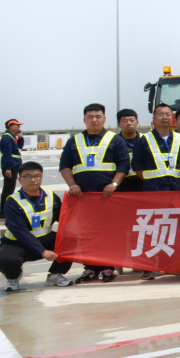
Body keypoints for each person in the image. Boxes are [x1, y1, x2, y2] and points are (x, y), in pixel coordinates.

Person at [59, 103, 129, 284]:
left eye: (98, 116)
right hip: (83, 198)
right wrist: (72, 184)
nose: (94, 120)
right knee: (86, 234)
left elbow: (123, 165)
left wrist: (114, 184)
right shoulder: (74, 141)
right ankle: (90, 268)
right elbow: (64, 165)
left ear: (104, 119)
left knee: (108, 232)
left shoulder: (115, 139)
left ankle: (108, 267)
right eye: (90, 117)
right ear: (84, 120)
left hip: (108, 198)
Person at [0, 161, 75, 291]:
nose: (33, 180)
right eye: (27, 176)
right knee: (7, 260)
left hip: (45, 238)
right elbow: (20, 231)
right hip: (17, 242)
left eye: (37, 176)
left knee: (71, 240)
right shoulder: (12, 201)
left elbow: (64, 218)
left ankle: (55, 274)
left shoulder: (50, 196)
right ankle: (13, 276)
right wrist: (42, 251)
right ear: (19, 179)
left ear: (41, 177)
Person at [133, 104, 180, 191]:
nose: (165, 117)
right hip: (153, 190)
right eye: (160, 115)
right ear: (154, 119)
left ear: (172, 118)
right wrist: (149, 183)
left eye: (168, 114)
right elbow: (137, 166)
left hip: (176, 189)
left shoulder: (179, 138)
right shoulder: (144, 140)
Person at [0, 118, 24, 220]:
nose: (19, 127)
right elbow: (7, 155)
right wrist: (8, 169)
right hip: (10, 167)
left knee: (10, 189)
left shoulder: (12, 137)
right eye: (18, 125)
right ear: (12, 126)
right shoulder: (7, 138)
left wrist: (20, 137)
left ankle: (6, 211)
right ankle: (3, 213)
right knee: (8, 190)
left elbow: (19, 148)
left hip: (14, 166)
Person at [116, 109, 144, 192]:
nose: (128, 123)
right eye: (124, 121)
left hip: (142, 180)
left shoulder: (145, 139)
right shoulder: (113, 141)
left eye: (132, 120)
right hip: (121, 182)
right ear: (118, 124)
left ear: (137, 122)